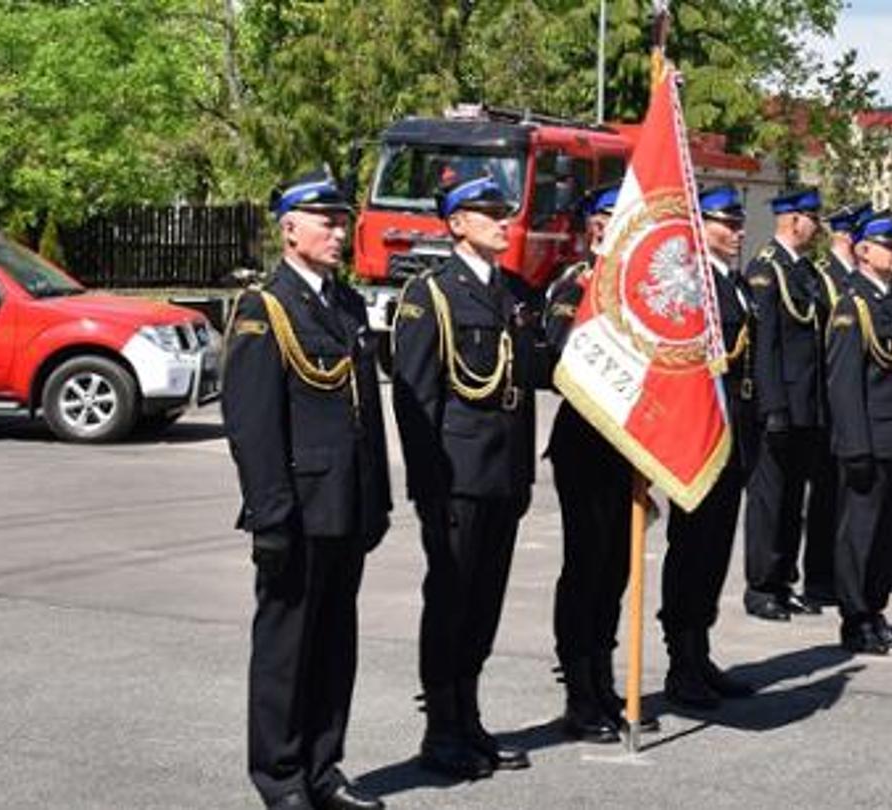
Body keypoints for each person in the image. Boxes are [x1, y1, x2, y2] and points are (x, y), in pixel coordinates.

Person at [225, 167, 391, 810]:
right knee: (285, 651)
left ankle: (325, 768)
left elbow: (363, 415)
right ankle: (281, 777)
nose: (340, 231)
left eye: (343, 220)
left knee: (333, 646)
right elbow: (253, 423)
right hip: (296, 509)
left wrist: (374, 496)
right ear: (289, 228)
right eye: (327, 220)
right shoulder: (263, 309)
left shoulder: (343, 303)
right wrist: (270, 515)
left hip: (345, 506)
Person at [389, 174, 540, 780]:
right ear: (456, 224)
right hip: (456, 478)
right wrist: (429, 489)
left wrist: (523, 473)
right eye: (488, 213)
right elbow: (416, 400)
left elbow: (525, 388)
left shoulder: (514, 292)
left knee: (484, 603)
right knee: (450, 601)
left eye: (505, 212)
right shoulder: (433, 295)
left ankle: (470, 715)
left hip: (504, 475)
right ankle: (441, 726)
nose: (503, 221)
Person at [544, 186, 650, 745]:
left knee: (616, 570)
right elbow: (563, 350)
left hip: (629, 448)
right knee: (586, 569)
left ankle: (606, 682)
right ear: (593, 227)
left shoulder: (641, 292)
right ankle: (579, 693)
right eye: (611, 218)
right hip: (585, 447)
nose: (619, 227)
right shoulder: (576, 284)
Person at [657, 185, 763, 709]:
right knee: (691, 550)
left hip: (735, 435)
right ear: (701, 225)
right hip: (702, 437)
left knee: (716, 550)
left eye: (740, 222)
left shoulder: (736, 284)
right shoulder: (693, 283)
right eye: (727, 222)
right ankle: (680, 659)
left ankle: (700, 650)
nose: (738, 231)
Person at [742, 189, 839, 620]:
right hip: (780, 405)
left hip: (807, 406)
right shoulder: (766, 271)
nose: (817, 227)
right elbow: (765, 346)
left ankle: (784, 581)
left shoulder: (803, 273)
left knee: (792, 499)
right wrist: (772, 404)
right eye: (812, 219)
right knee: (769, 498)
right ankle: (761, 586)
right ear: (793, 221)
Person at [827, 210, 892, 655]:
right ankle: (855, 617)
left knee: (888, 533)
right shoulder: (853, 305)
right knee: (860, 534)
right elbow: (844, 384)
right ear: (864, 251)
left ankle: (876, 609)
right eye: (890, 245)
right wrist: (855, 446)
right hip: (868, 439)